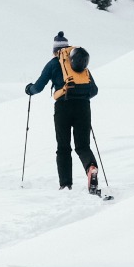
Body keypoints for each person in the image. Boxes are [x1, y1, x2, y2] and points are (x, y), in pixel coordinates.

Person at [26, 31, 100, 194]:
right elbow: (94, 90)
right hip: (83, 108)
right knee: (83, 146)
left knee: (63, 146)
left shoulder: (53, 64)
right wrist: (81, 97)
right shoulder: (80, 65)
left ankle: (65, 184)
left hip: (63, 107)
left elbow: (38, 87)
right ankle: (91, 168)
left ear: (55, 50)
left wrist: (29, 89)